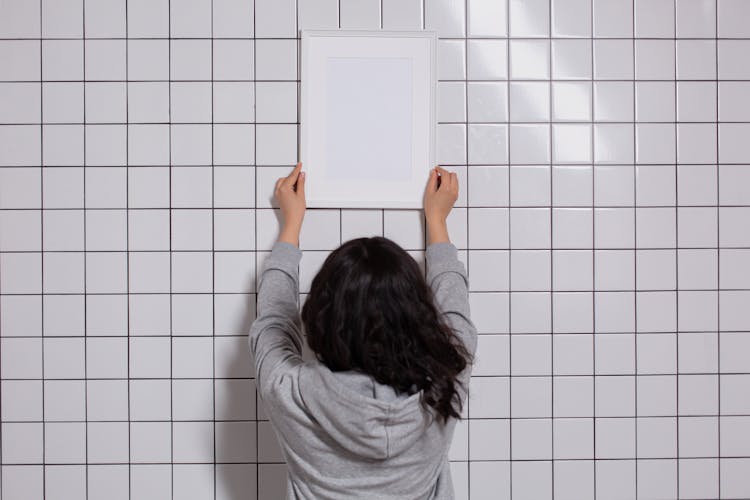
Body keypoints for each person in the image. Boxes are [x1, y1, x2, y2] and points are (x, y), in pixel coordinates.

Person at [248, 161, 478, 499]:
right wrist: (438, 222)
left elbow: (273, 324)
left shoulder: (290, 393)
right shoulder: (443, 387)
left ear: (321, 317)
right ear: (419, 318)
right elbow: (455, 314)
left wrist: (291, 226)